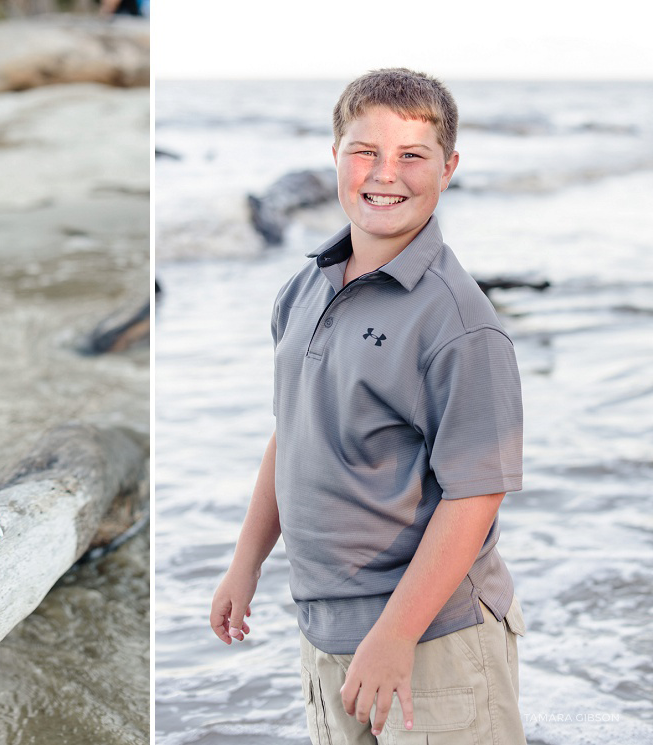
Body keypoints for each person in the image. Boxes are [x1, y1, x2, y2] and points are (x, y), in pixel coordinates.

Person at [210, 68, 527, 744]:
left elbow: (477, 495)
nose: (386, 174)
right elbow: (291, 432)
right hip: (326, 634)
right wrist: (247, 559)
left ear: (449, 167)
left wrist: (395, 634)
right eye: (365, 152)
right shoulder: (303, 288)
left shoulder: (461, 325)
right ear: (335, 158)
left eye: (413, 155)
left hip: (434, 639)